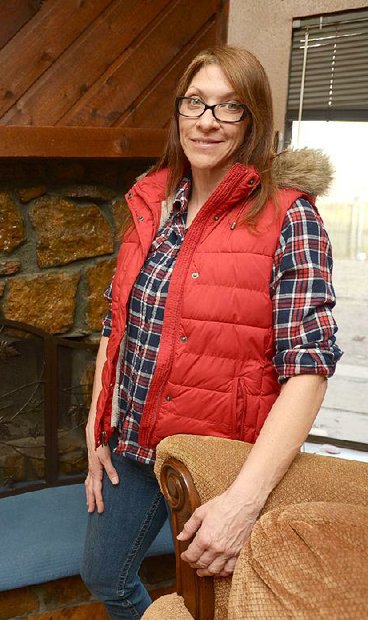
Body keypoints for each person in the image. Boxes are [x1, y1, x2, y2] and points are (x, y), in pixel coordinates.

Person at [80, 45, 341, 619]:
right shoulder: (152, 202)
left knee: (213, 603)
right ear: (178, 111)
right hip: (134, 442)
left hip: (216, 454)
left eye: (229, 107)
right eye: (195, 102)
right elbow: (115, 323)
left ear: (253, 121)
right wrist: (97, 424)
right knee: (102, 576)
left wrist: (244, 501)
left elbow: (310, 369)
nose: (206, 120)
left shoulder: (290, 216)